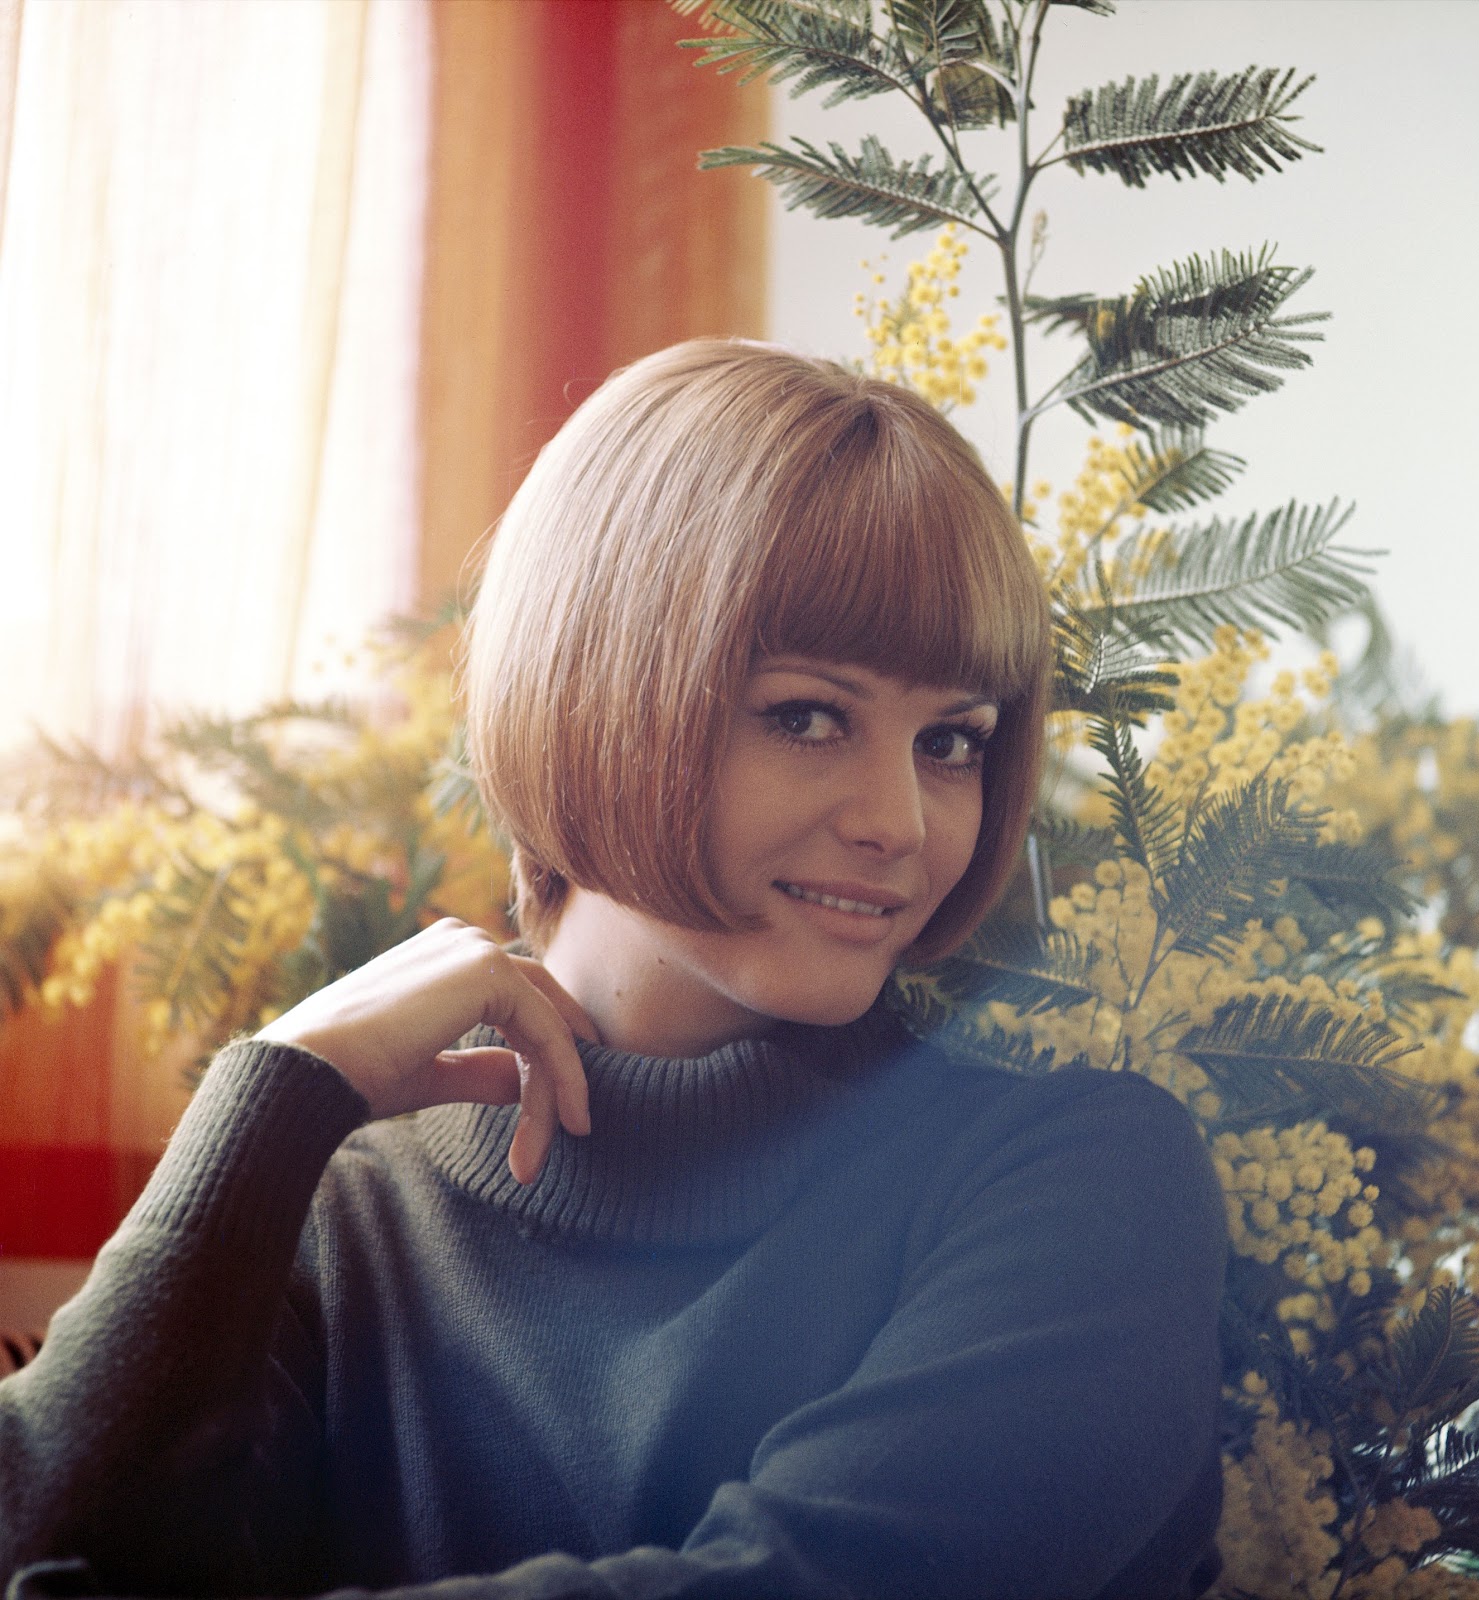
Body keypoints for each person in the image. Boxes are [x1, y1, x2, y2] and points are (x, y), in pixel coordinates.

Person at [0, 341, 1227, 1599]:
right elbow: (32, 1538)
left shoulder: (1085, 1181)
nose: (902, 821)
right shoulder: (342, 1216)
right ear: (599, 689)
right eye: (808, 715)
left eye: (952, 741)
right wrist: (272, 1092)